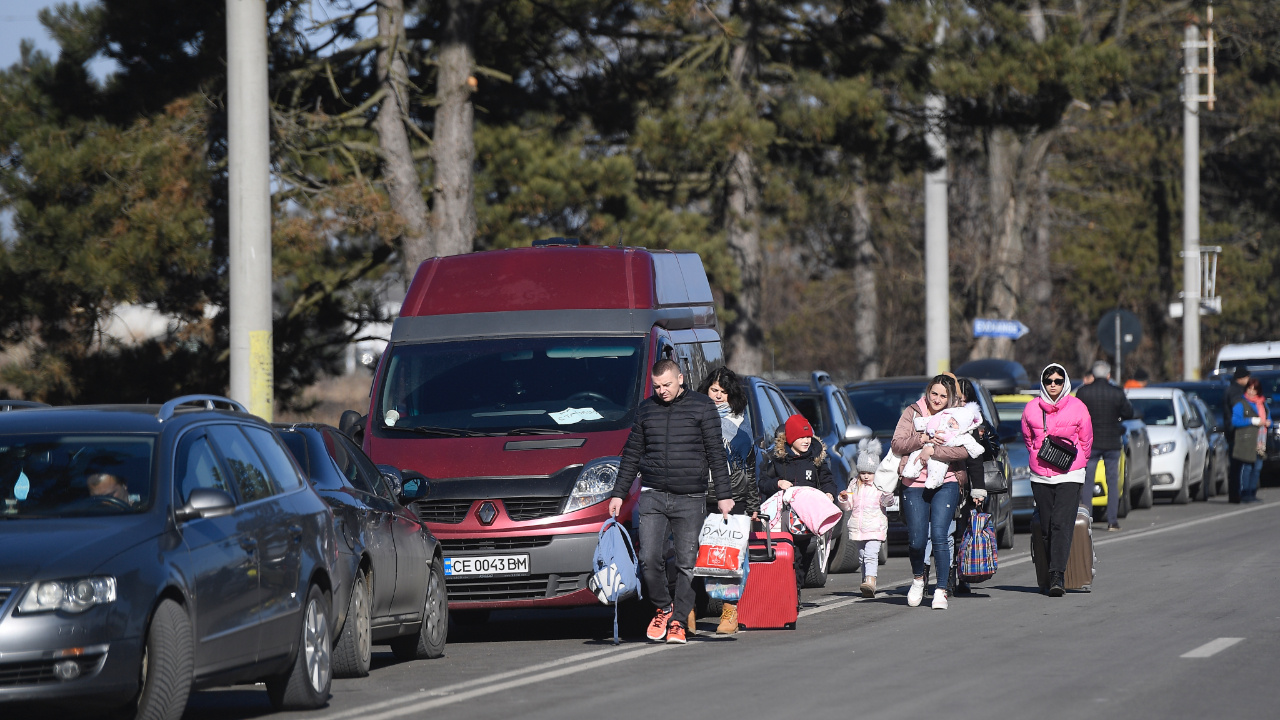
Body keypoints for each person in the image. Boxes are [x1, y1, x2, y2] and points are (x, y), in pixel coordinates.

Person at [608, 359, 734, 645]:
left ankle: (678, 621)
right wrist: (618, 493)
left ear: (681, 378)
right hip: (653, 494)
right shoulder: (646, 410)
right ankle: (664, 608)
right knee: (649, 559)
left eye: (667, 385)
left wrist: (725, 496)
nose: (662, 391)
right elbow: (631, 455)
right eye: (656, 386)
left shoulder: (702, 406)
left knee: (687, 563)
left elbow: (716, 452)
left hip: (690, 497)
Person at [891, 374, 973, 610]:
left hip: (947, 481)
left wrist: (933, 451)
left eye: (943, 396)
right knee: (917, 541)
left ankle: (940, 590)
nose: (937, 399)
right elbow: (897, 443)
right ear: (928, 392)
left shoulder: (958, 416)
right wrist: (922, 439)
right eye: (934, 393)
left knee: (940, 536)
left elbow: (963, 451)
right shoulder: (913, 412)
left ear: (950, 398)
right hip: (914, 482)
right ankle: (918, 579)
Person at [696, 367, 760, 634]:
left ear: (732, 395)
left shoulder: (741, 423)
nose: (718, 396)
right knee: (695, 556)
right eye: (713, 390)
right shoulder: (694, 418)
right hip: (698, 494)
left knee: (729, 556)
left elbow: (750, 467)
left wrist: (754, 504)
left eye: (723, 392)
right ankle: (688, 610)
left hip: (735, 499)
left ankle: (729, 610)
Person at [1022, 363, 1093, 597]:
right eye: (1049, 381)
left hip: (1070, 473)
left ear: (1065, 383)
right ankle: (1047, 572)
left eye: (1058, 381)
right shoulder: (1031, 408)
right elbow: (1028, 438)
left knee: (1061, 523)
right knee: (1045, 526)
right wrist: (1037, 454)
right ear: (1043, 383)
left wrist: (1076, 460)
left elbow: (1086, 440)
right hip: (1040, 474)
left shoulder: (1078, 407)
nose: (1053, 385)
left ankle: (1057, 575)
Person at [760, 414, 839, 590]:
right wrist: (777, 484)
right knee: (789, 555)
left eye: (808, 437)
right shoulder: (777, 461)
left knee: (801, 555)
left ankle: (795, 592)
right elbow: (763, 483)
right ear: (790, 439)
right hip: (783, 521)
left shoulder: (815, 460)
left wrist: (829, 493)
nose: (806, 441)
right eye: (801, 437)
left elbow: (827, 480)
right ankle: (790, 592)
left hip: (806, 520)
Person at [1074, 360, 1135, 531]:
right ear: (1109, 375)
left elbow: (1076, 415)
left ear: (1092, 375)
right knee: (1112, 481)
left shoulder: (1083, 393)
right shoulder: (1116, 393)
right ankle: (1112, 521)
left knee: (1087, 481)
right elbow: (1128, 412)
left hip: (1090, 442)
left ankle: (1086, 521)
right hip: (1112, 442)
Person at [837, 445, 893, 598]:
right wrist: (843, 498)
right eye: (863, 473)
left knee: (870, 554)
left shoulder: (880, 485)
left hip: (875, 526)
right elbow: (848, 506)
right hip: (858, 527)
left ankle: (871, 580)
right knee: (862, 556)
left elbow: (888, 502)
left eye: (869, 473)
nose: (866, 476)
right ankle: (865, 582)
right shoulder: (854, 485)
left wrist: (887, 497)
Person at [902, 404, 985, 488]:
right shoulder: (942, 420)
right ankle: (909, 472)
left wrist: (977, 449)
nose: (952, 422)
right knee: (915, 457)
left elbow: (970, 444)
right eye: (952, 419)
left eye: (956, 423)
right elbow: (926, 422)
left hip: (940, 456)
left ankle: (933, 482)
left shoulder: (959, 435)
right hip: (925, 446)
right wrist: (925, 431)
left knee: (938, 467)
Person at [1231, 378, 1271, 504]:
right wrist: (1252, 421)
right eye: (1249, 389)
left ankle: (1253, 492)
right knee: (1247, 467)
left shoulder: (1263, 404)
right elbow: (1235, 421)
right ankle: (1245, 493)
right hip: (1246, 441)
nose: (1252, 392)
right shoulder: (1241, 404)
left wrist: (1268, 422)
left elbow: (1267, 417)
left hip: (1260, 440)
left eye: (1254, 389)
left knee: (1257, 467)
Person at [1224, 366, 1252, 503]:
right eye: (1247, 377)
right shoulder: (1235, 392)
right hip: (1236, 433)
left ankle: (1236, 494)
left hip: (1234, 432)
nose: (1248, 380)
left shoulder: (1234, 390)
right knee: (1237, 466)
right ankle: (1236, 494)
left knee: (1237, 466)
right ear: (1240, 378)